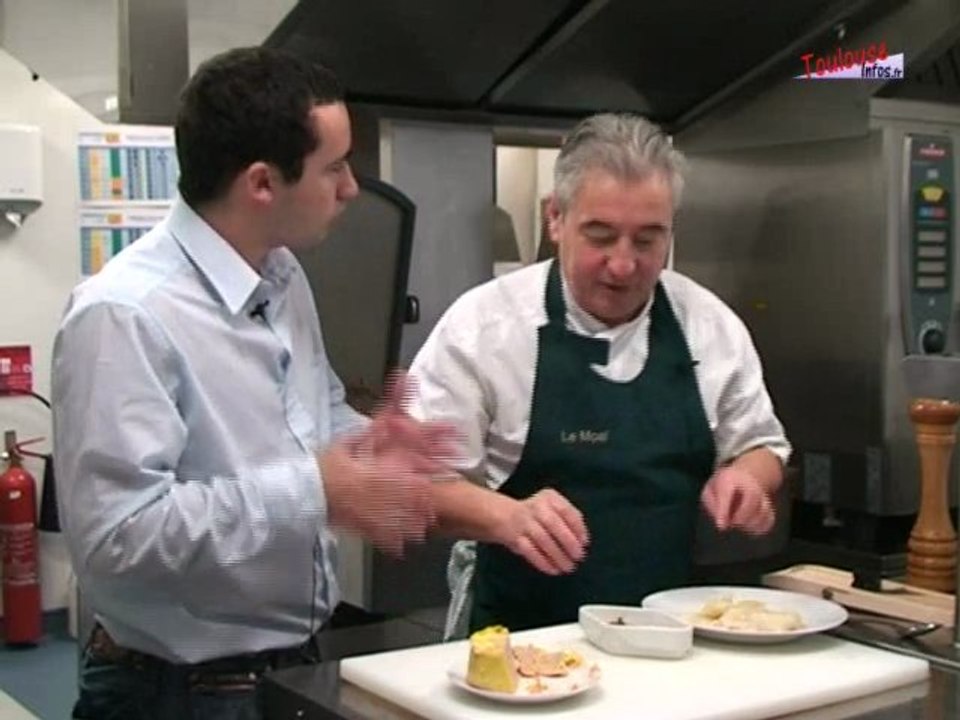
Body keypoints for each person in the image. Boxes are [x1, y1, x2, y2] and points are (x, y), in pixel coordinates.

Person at [52, 47, 453, 720]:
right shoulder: (124, 315)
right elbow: (117, 540)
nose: (351, 189)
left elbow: (317, 408)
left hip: (290, 665)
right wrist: (319, 486)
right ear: (262, 184)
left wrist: (374, 449)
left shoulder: (282, 276)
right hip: (171, 695)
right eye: (334, 169)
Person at [409, 113, 791, 639]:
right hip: (524, 651)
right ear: (556, 219)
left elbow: (763, 446)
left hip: (671, 639)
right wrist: (504, 517)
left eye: (647, 240)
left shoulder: (707, 324)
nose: (622, 264)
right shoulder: (486, 328)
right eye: (601, 236)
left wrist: (748, 478)